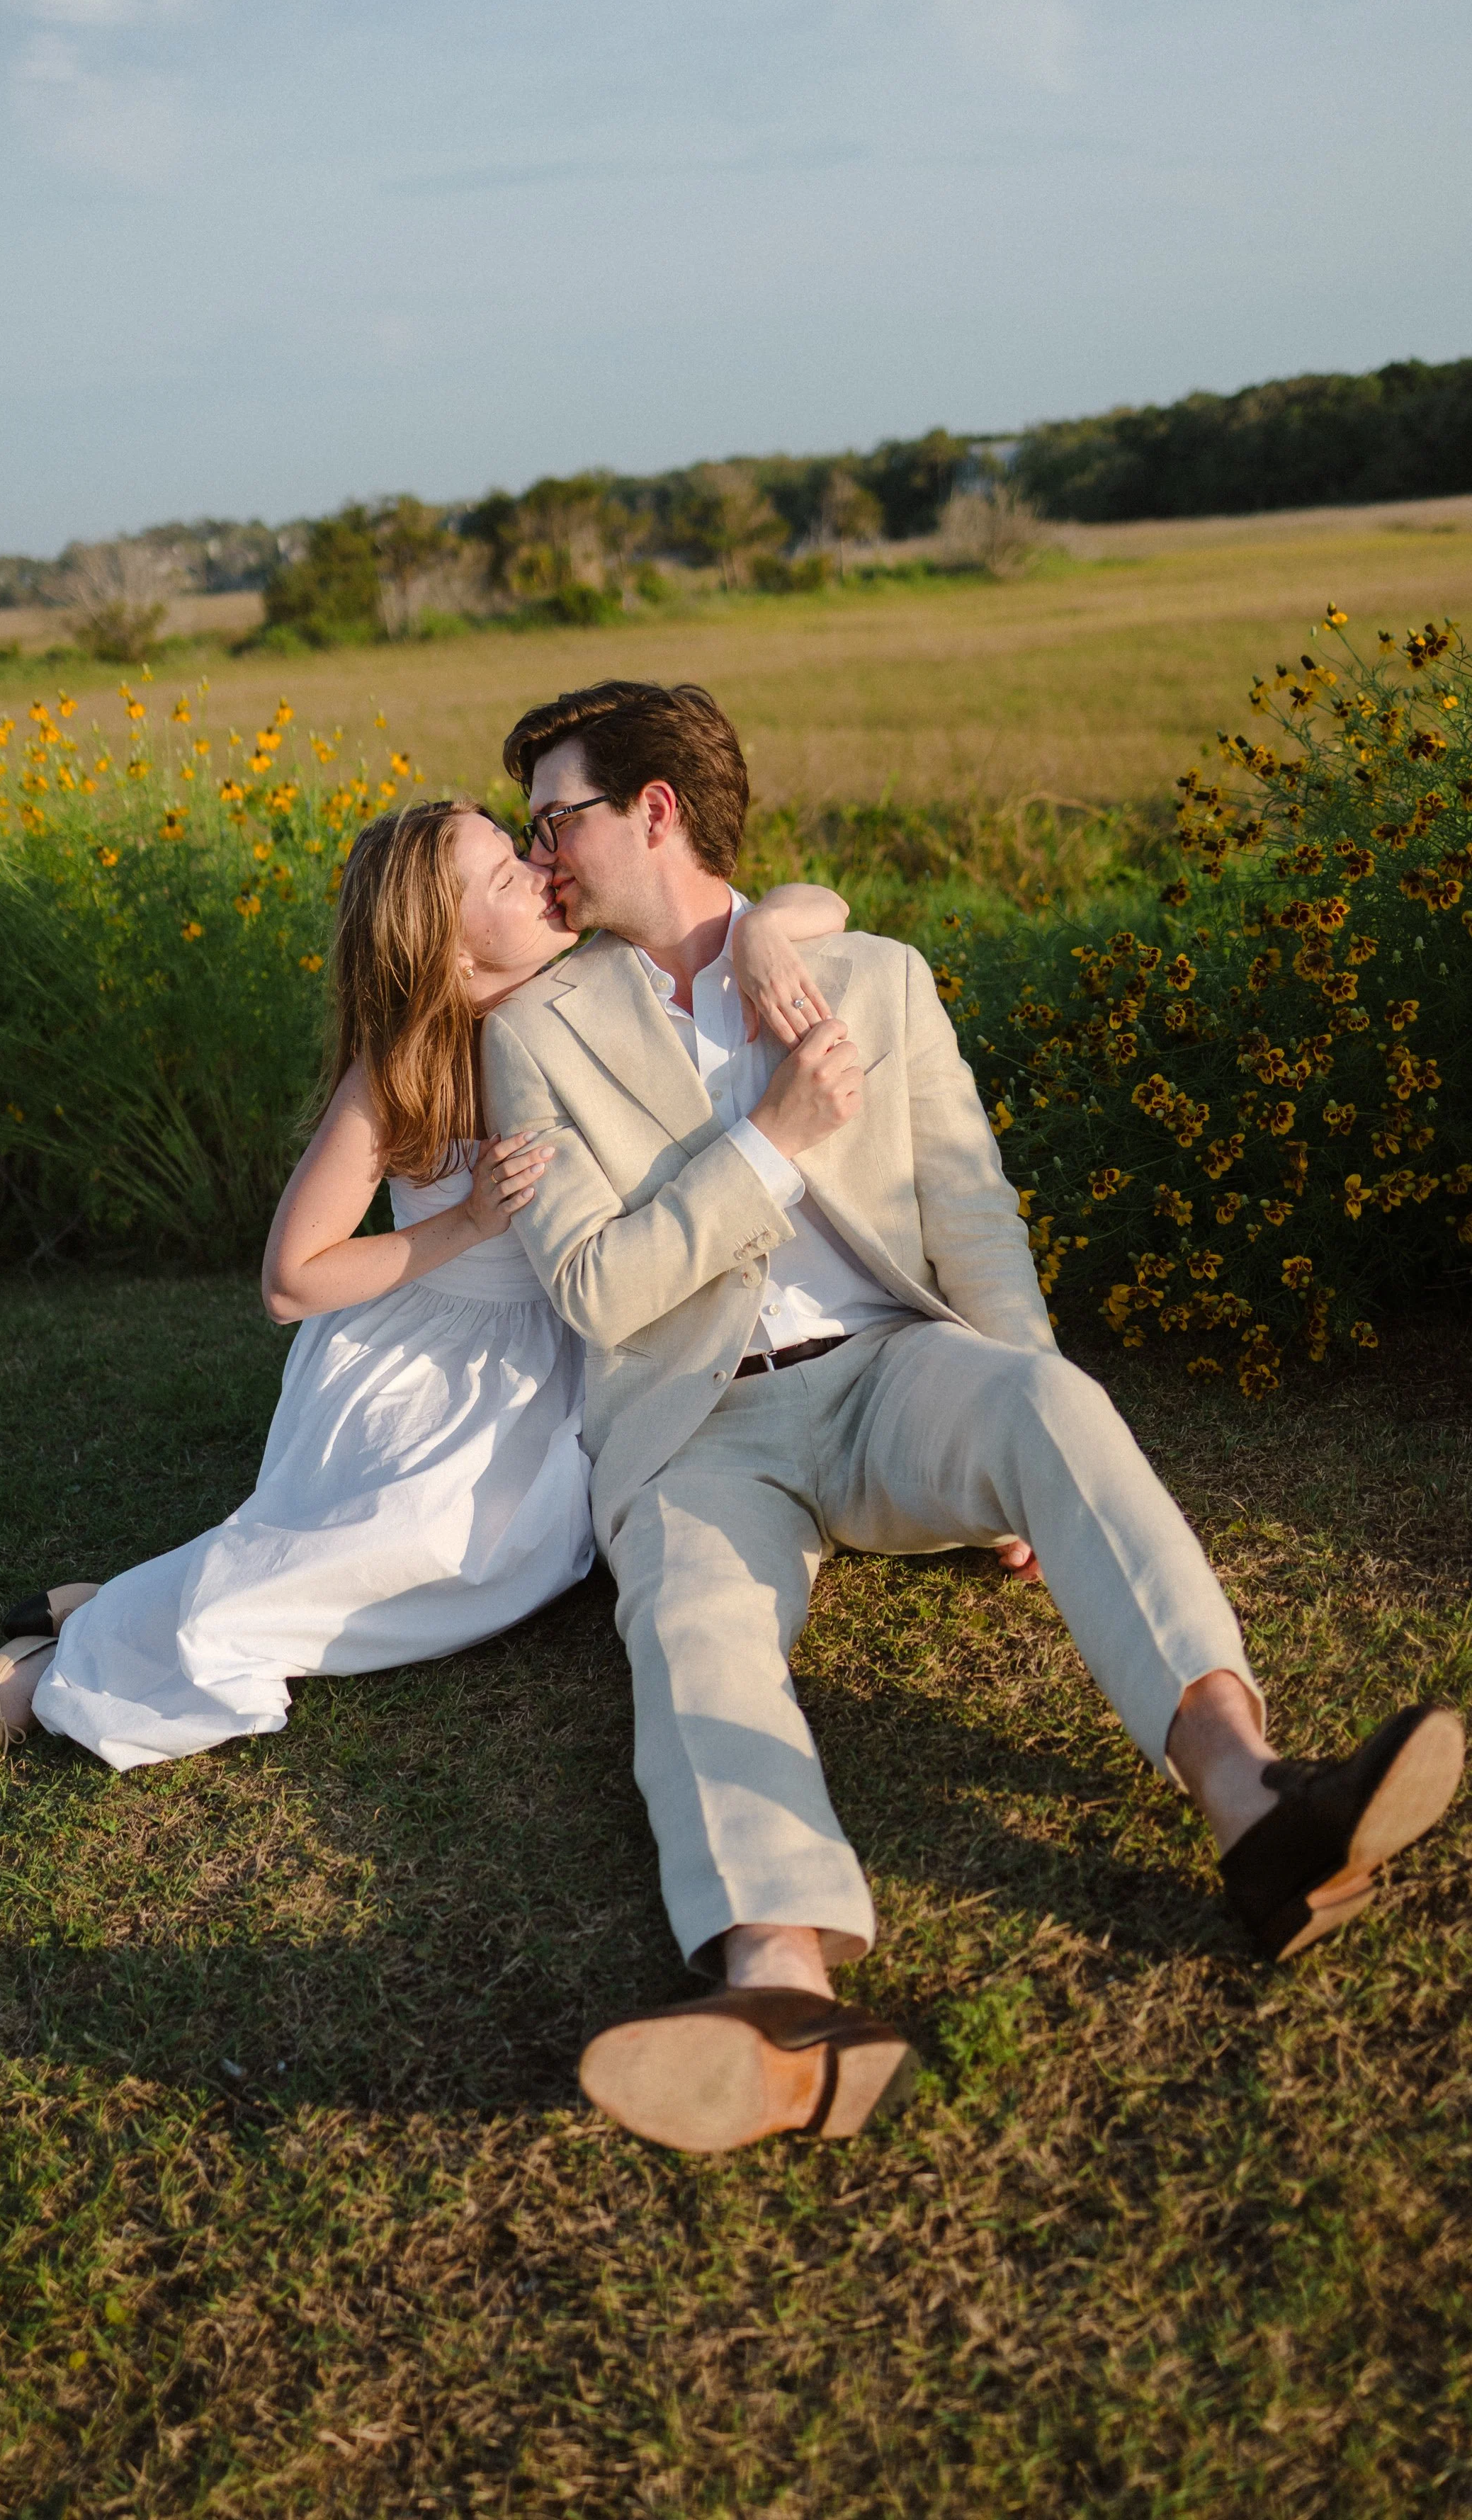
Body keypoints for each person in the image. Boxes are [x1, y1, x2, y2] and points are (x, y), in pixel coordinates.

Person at [480, 679, 1467, 2157]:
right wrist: (772, 1139)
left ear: (656, 812)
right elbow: (599, 1291)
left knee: (1049, 1401)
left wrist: (1018, 1413)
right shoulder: (536, 1030)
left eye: (554, 817)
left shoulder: (874, 977)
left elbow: (974, 1217)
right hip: (695, 1427)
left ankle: (1255, 1805)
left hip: (892, 1375)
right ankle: (782, 1999)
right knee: (689, 1623)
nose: (539, 852)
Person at [0, 798, 851, 1771]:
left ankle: (125, 1600)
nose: (543, 872)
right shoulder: (404, 1072)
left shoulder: (601, 972)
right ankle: (62, 1662)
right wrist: (466, 1224)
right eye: (505, 879)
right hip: (438, 1361)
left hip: (575, 1351)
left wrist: (758, 928)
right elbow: (291, 1278)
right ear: (456, 958)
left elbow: (826, 904)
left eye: (521, 850)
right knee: (404, 1543)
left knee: (513, 1558)